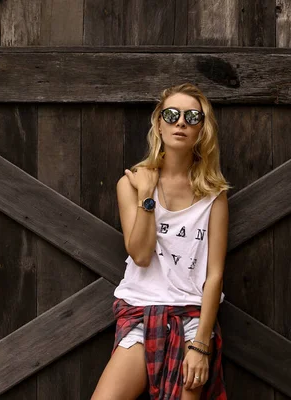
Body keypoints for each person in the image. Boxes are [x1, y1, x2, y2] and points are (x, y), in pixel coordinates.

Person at [92, 83, 231, 400]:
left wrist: (200, 345)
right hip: (140, 313)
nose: (181, 122)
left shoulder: (214, 196)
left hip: (193, 321)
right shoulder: (131, 184)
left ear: (201, 129)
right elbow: (140, 255)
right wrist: (146, 196)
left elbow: (215, 276)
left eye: (192, 117)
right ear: (158, 123)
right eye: (171, 114)